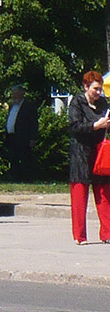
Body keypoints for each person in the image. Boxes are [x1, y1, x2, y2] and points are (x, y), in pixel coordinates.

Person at [67, 69, 110, 244]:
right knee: (79, 194)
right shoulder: (76, 103)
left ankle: (107, 233)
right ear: (86, 86)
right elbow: (75, 127)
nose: (98, 93)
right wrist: (95, 125)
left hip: (100, 151)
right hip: (81, 153)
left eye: (100, 89)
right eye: (95, 89)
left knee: (104, 193)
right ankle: (80, 236)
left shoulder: (104, 103)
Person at [4, 84, 40, 182]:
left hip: (24, 137)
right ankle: (15, 178)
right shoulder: (12, 106)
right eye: (12, 94)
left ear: (21, 94)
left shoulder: (29, 106)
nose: (13, 96)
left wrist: (33, 138)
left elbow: (33, 123)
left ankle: (27, 178)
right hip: (11, 136)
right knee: (13, 158)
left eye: (15, 94)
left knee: (25, 159)